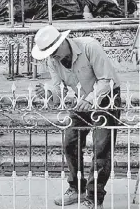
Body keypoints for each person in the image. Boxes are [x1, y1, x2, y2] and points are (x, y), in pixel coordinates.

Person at [32, 25, 121, 209]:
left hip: (107, 98)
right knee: (70, 142)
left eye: (54, 50)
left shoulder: (89, 46)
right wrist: (49, 93)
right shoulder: (53, 60)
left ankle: (94, 197)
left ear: (63, 41)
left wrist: (90, 99)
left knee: (101, 148)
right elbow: (60, 90)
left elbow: (106, 79)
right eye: (49, 53)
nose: (54, 55)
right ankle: (76, 188)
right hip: (82, 100)